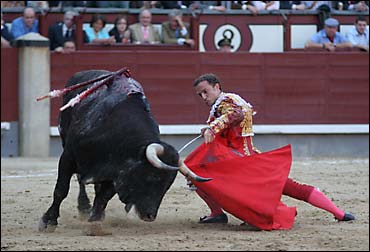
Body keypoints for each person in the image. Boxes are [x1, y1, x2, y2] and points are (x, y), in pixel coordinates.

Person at [189, 73, 355, 225]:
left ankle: (337, 212)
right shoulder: (228, 100)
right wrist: (211, 128)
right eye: (200, 95)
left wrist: (213, 128)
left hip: (240, 162)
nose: (203, 97)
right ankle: (339, 213)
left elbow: (236, 114)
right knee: (290, 187)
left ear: (217, 87)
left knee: (196, 173)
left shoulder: (225, 103)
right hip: (245, 157)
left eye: (206, 91)